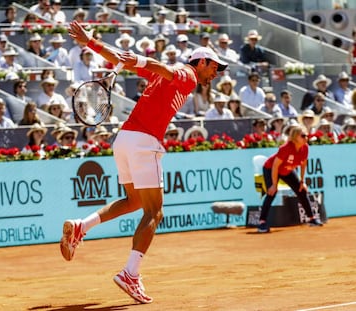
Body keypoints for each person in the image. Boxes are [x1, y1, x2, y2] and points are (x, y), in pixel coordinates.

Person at [60, 21, 227, 304]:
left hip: (124, 140)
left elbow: (118, 58)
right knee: (154, 212)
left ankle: (81, 226)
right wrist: (140, 58)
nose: (215, 74)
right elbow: (162, 67)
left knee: (134, 201)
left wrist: (90, 42)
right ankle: (130, 274)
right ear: (201, 62)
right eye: (213, 67)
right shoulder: (187, 74)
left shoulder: (167, 78)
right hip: (144, 143)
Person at [256, 124, 323, 233]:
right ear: (295, 137)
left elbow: (303, 164)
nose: (306, 138)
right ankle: (262, 223)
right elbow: (275, 166)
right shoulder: (286, 148)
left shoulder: (305, 148)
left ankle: (312, 219)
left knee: (301, 190)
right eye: (303, 136)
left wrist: (302, 181)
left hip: (287, 170)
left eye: (306, 135)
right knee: (272, 192)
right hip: (271, 168)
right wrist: (273, 184)